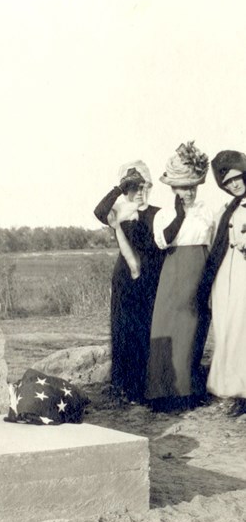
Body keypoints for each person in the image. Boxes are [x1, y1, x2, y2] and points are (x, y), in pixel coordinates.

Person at [147, 142, 214, 411]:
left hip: (200, 272)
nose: (186, 192)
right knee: (168, 330)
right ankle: (163, 394)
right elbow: (163, 241)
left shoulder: (207, 211)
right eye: (181, 187)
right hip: (174, 274)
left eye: (191, 187)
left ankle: (187, 391)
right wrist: (179, 214)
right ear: (172, 189)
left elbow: (213, 242)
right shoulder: (164, 215)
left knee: (193, 332)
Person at [93, 161, 165, 403]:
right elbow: (99, 211)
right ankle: (123, 385)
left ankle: (144, 386)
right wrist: (119, 188)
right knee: (123, 329)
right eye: (134, 187)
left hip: (151, 276)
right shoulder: (119, 212)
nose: (139, 191)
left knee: (145, 329)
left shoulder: (158, 213)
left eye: (144, 186)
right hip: (125, 276)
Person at [197, 150, 246, 415]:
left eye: (237, 178)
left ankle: (242, 389)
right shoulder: (226, 209)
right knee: (226, 328)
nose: (234, 185)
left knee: (242, 329)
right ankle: (227, 387)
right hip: (224, 274)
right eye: (228, 182)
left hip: (243, 274)